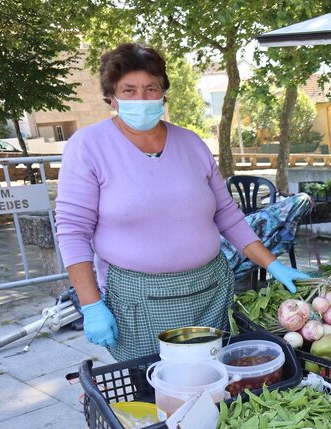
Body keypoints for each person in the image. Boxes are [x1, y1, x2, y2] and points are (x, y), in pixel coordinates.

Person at [55, 43, 311, 361]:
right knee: (154, 391)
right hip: (138, 301)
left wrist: (272, 264)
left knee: (216, 382)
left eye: (151, 88)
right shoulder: (88, 146)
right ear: (112, 95)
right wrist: (92, 305)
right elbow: (72, 231)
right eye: (129, 90)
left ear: (163, 93)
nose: (142, 98)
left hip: (210, 291)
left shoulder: (191, 143)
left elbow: (227, 214)